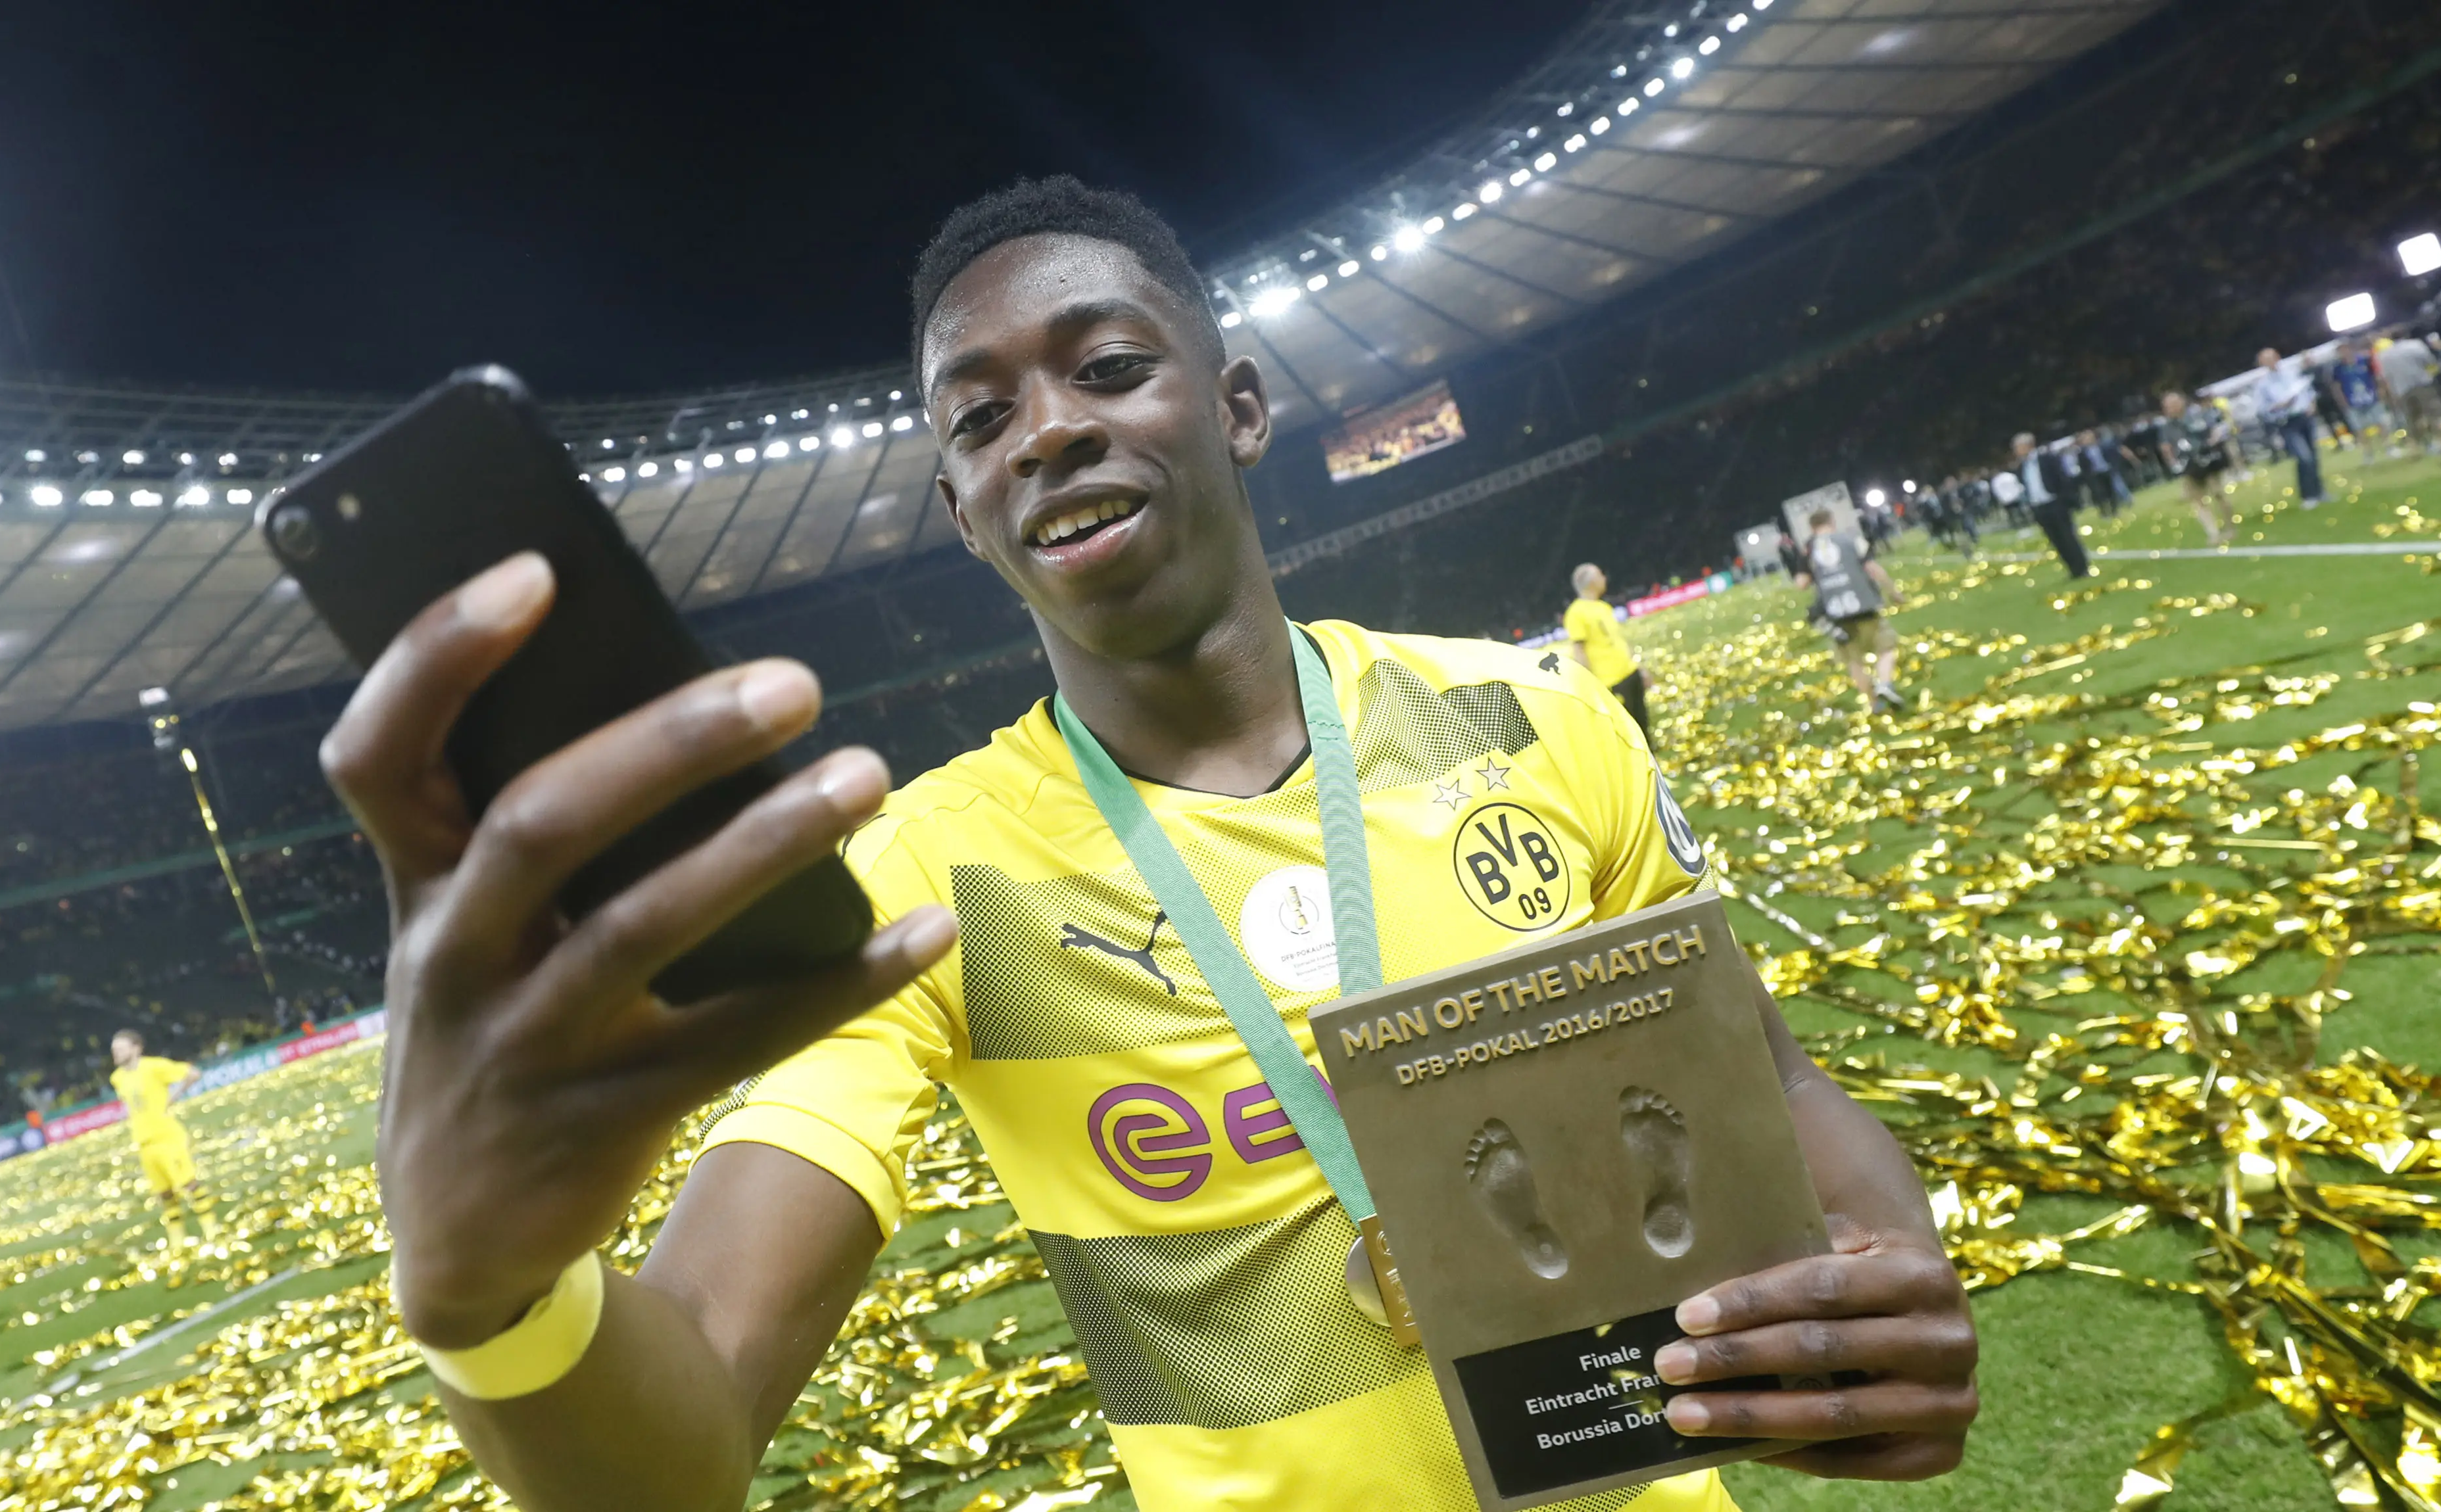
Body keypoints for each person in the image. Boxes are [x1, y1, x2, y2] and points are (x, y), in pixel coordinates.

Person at [327, 177, 1975, 1512]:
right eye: (979, 423)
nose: (1041, 429)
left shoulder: (1530, 720)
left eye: (1107, 368)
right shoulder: (928, 881)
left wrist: (1882, 1279)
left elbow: (1781, 1094)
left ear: (1239, 404)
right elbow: (687, 1428)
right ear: (967, 511)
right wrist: (490, 1299)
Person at [107, 1029, 218, 1250]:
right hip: (144, 1142)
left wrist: (172, 1098)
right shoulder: (117, 1078)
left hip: (167, 1136)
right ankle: (177, 1239)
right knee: (164, 1193)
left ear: (136, 1048)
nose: (116, 1054)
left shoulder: (154, 1066)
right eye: (114, 1050)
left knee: (188, 1183)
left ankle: (211, 1228)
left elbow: (193, 1074)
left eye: (120, 1048)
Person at [1802, 508, 1906, 711]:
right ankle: (1885, 684)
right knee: (1886, 648)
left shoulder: (1809, 550)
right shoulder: (1850, 539)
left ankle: (1874, 705)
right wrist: (1893, 592)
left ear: (1812, 528)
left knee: (1855, 662)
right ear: (1831, 522)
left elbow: (1801, 583)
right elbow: (1873, 568)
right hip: (1864, 605)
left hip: (1836, 614)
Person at [1562, 562, 1650, 739]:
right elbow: (1580, 652)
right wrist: (1591, 688)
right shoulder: (1576, 613)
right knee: (1628, 735)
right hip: (1612, 682)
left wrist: (1639, 669)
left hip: (1630, 673)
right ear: (1591, 581)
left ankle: (1653, 764)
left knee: (1643, 728)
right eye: (1600, 575)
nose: (1604, 578)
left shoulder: (1603, 607)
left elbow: (1618, 641)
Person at [2248, 348, 2327, 508]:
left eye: (2272, 358)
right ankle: (2309, 495)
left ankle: (2318, 491)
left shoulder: (2292, 373)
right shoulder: (2263, 385)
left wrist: (2311, 404)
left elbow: (2307, 390)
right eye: (2266, 360)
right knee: (2304, 457)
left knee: (2312, 456)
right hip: (2287, 422)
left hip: (2304, 417)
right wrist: (2278, 406)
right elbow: (2262, 409)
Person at [2012, 431, 2090, 579]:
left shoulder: (2046, 459)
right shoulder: (2022, 467)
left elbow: (2061, 478)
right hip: (2039, 507)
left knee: (2068, 536)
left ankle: (2082, 567)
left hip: (2055, 502)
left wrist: (2066, 499)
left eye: (2018, 447)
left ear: (2028, 446)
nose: (2016, 451)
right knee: (2055, 540)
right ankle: (2072, 569)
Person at [2158, 391, 2231, 547]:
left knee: (2219, 494)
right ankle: (2213, 533)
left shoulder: (2198, 416)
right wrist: (2173, 464)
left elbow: (2215, 430)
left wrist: (2212, 444)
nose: (2172, 408)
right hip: (2189, 466)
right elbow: (2166, 447)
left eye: (2174, 404)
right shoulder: (2167, 427)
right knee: (2198, 500)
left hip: (2208, 461)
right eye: (2168, 406)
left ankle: (2230, 526)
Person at [2377, 334, 2441, 454]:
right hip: (2423, 385)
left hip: (2401, 390)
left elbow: (2386, 377)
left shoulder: (2384, 355)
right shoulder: (2416, 345)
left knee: (2412, 420)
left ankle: (2414, 449)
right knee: (2435, 416)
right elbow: (2429, 361)